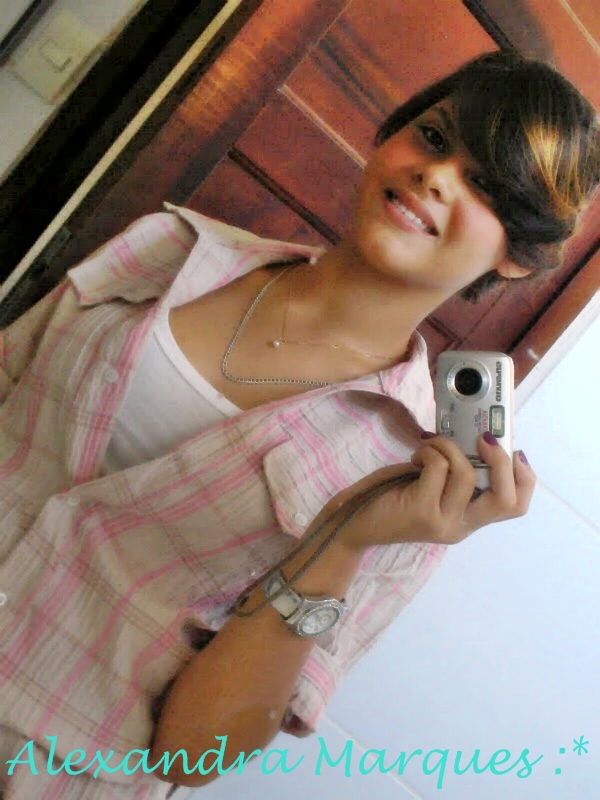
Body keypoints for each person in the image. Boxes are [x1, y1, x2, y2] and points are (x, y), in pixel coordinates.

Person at [0, 50, 598, 798]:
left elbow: (193, 752)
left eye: (487, 185)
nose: (437, 175)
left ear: (517, 257)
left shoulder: (417, 478)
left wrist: (344, 539)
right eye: (435, 137)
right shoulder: (170, 252)